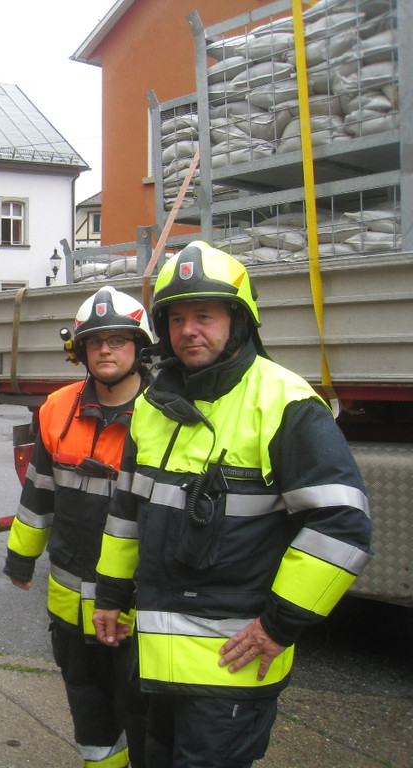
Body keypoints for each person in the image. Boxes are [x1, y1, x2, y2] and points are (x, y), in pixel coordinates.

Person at [92, 241, 373, 768]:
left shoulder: (285, 402)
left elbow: (342, 527)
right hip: (153, 662)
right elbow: (127, 511)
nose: (188, 330)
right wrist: (110, 593)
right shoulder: (152, 405)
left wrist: (279, 625)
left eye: (204, 315)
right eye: (177, 318)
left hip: (231, 672)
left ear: (238, 321)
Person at [4, 287, 152, 768]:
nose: (106, 350)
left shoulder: (165, 414)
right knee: (90, 716)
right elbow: (39, 492)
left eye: (118, 340)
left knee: (145, 719)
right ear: (81, 350)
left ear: (139, 347)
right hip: (70, 606)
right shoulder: (57, 409)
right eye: (95, 341)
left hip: (136, 610)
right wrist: (20, 559)